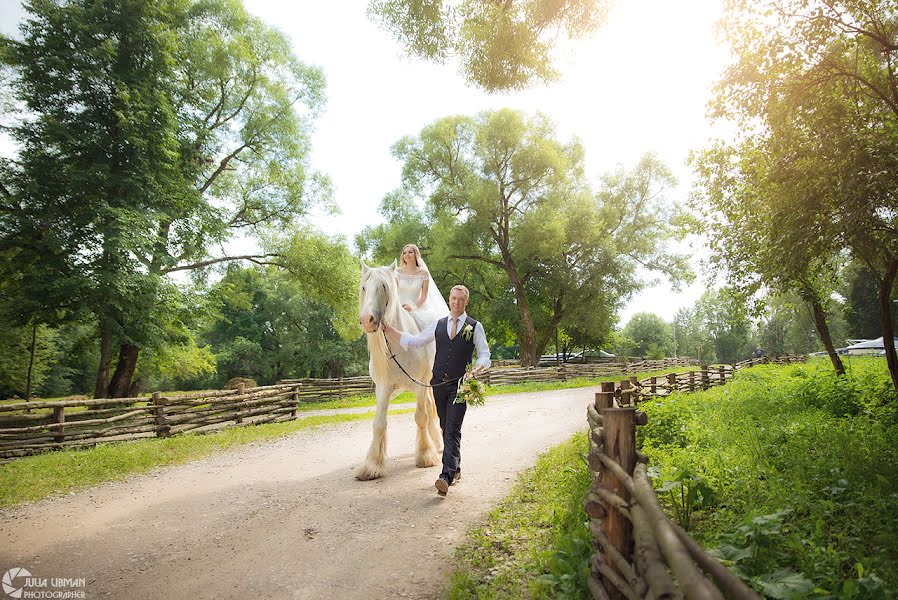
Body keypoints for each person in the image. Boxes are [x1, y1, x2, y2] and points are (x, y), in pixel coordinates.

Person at [383, 284, 491, 497]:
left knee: (452, 429)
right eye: (453, 298)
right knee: (444, 426)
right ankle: (456, 468)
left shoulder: (474, 326)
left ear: (466, 302)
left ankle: (445, 476)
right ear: (449, 299)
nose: (456, 302)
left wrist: (476, 369)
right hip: (437, 385)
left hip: (460, 386)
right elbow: (414, 341)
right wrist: (389, 330)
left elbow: (485, 354)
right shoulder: (438, 324)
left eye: (461, 299)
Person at [394, 244, 449, 330]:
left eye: (410, 252)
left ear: (416, 254)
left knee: (431, 327)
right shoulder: (397, 272)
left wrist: (413, 307)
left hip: (416, 307)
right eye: (404, 253)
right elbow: (394, 293)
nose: (407, 255)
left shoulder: (423, 273)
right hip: (399, 307)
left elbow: (424, 296)